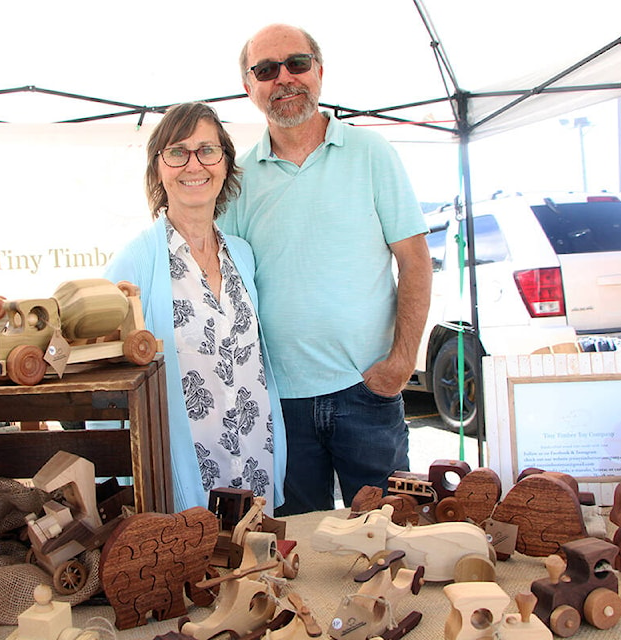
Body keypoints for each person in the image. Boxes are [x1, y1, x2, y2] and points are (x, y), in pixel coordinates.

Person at [218, 24, 433, 516]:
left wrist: (401, 363)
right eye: (266, 70)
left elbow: (416, 262)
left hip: (368, 392)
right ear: (248, 88)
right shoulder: (238, 181)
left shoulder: (372, 154)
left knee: (388, 542)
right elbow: (223, 286)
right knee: (299, 555)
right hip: (279, 403)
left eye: (296, 63)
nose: (284, 79)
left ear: (319, 70)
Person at [105, 102, 286, 515]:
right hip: (185, 481)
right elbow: (104, 383)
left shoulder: (242, 255)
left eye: (207, 150)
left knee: (255, 574)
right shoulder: (133, 264)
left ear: (224, 164)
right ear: (158, 169)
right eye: (177, 152)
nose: (194, 164)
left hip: (255, 462)